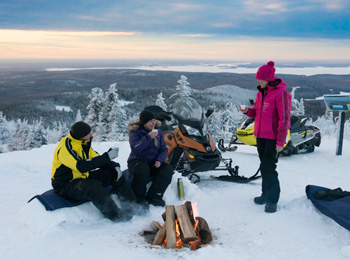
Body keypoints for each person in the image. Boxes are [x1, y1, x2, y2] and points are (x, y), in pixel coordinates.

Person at [51, 121, 137, 222]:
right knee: (93, 186)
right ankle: (114, 214)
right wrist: (107, 157)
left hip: (82, 176)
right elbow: (81, 166)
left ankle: (131, 206)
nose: (91, 134)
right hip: (65, 184)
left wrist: (114, 166)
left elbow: (96, 158)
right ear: (81, 136)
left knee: (114, 174)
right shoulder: (65, 148)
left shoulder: (82, 143)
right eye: (88, 133)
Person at [240, 61, 291, 213]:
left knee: (269, 168)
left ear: (268, 79)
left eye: (260, 79)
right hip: (260, 136)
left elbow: (285, 119)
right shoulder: (260, 93)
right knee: (264, 166)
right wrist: (247, 111)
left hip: (273, 138)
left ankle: (272, 200)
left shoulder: (281, 94)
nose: (258, 81)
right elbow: (256, 113)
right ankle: (265, 194)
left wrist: (280, 141)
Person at [127, 110, 174, 207]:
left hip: (152, 162)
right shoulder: (135, 132)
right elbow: (136, 149)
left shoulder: (158, 132)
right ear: (144, 123)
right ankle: (138, 200)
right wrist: (148, 137)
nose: (154, 123)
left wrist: (159, 160)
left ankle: (154, 196)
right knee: (143, 170)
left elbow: (163, 149)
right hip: (137, 161)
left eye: (154, 120)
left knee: (167, 169)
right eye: (150, 121)